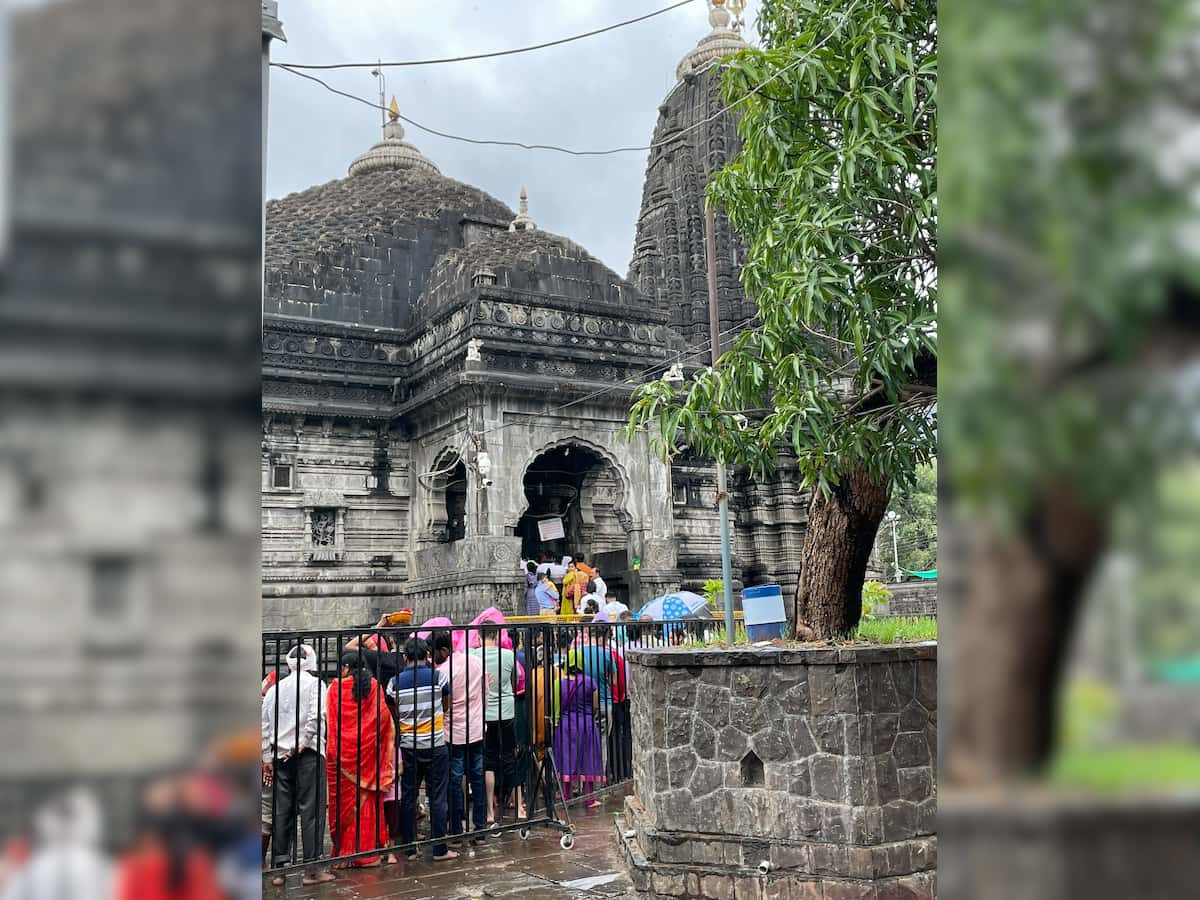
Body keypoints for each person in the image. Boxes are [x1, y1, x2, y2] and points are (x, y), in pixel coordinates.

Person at [261, 644, 334, 885]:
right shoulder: (316, 685)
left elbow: (264, 724)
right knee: (311, 811)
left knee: (282, 811)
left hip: (280, 755)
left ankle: (279, 870)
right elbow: (316, 716)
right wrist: (303, 742)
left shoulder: (275, 690)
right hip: (309, 753)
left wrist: (266, 758)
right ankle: (312, 870)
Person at [388, 638, 458, 862]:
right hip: (435, 744)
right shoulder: (438, 677)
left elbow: (394, 711)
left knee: (408, 795)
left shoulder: (395, 682)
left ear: (406, 658)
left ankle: (409, 848)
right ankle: (439, 848)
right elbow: (446, 704)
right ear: (427, 656)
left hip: (409, 746)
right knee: (437, 797)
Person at [325, 652, 395, 869]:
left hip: (341, 758)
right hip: (368, 758)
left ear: (346, 667)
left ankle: (346, 854)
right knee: (368, 803)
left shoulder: (335, 688)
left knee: (344, 807)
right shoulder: (374, 686)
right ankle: (369, 853)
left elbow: (331, 723)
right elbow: (384, 719)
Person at [432, 632, 489, 842]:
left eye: (436, 652)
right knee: (477, 776)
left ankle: (456, 829)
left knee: (455, 780)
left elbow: (442, 705)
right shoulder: (475, 661)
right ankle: (480, 827)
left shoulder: (444, 671)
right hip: (475, 727)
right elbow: (486, 692)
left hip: (453, 731)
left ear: (444, 650)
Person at [469, 624, 517, 828]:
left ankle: (489, 810)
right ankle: (518, 804)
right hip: (506, 710)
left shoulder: (473, 656)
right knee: (508, 756)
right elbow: (513, 681)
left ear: (479, 637)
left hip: (484, 712)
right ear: (496, 636)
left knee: (488, 760)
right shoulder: (508, 655)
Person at [552, 650, 603, 807]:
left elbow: (556, 706)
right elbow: (595, 706)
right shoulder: (590, 682)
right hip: (586, 724)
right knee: (588, 757)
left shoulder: (558, 683)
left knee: (567, 757)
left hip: (566, 724)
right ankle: (590, 798)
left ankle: (566, 796)